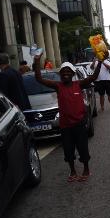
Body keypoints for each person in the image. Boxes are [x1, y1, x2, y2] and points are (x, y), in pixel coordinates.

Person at [33, 54, 102, 182]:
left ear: (72, 73)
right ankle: (73, 171)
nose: (65, 73)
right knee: (68, 151)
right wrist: (37, 61)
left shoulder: (79, 84)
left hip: (79, 124)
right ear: (60, 74)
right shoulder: (57, 86)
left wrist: (100, 62)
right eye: (63, 71)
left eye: (68, 71)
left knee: (83, 148)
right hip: (65, 126)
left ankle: (86, 169)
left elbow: (94, 77)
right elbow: (39, 79)